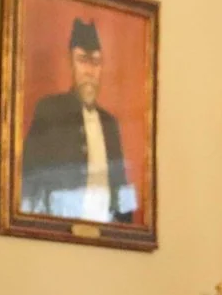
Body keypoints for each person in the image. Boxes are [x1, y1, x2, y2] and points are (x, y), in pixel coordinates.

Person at [20, 18, 135, 222]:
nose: (90, 72)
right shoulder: (49, 111)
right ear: (70, 63)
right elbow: (30, 181)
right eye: (82, 60)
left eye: (96, 62)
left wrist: (127, 234)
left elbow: (123, 191)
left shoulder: (110, 124)